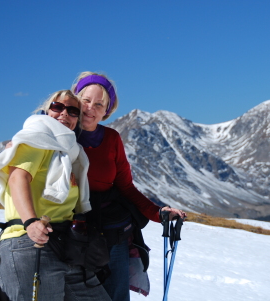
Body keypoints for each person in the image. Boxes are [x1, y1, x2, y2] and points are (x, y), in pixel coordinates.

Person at [71, 71, 187, 301]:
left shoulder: (112, 139)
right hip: (71, 230)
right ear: (76, 100)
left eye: (98, 104)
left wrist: (158, 213)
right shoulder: (60, 133)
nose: (90, 108)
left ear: (107, 110)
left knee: (116, 295)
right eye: (85, 100)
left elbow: (126, 187)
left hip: (111, 231)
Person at [0, 90, 111, 301]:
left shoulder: (71, 153)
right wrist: (31, 222)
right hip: (29, 242)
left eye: (73, 111)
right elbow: (18, 178)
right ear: (46, 110)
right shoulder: (36, 139)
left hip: (65, 245)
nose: (65, 114)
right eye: (57, 107)